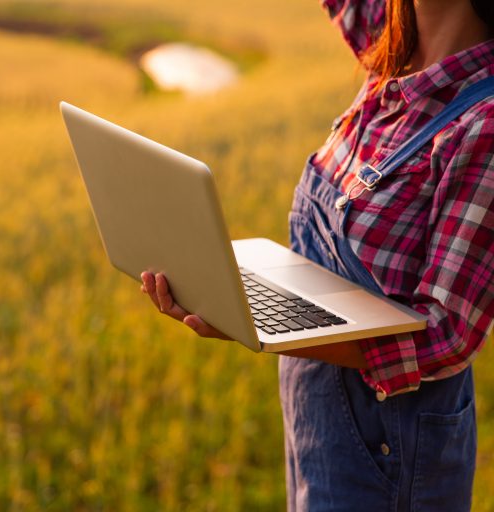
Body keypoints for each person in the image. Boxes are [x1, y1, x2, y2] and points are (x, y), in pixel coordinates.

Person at [140, 0, 494, 510]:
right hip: (318, 423)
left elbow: (447, 334)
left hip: (390, 454)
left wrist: (264, 324)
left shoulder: (483, 123)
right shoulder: (390, 47)